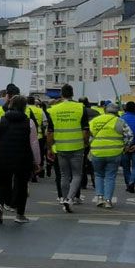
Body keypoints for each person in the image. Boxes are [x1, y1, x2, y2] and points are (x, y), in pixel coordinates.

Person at [0, 95, 40, 224]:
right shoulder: (29, 122)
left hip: (4, 156)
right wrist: (37, 161)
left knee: (4, 183)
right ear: (24, 107)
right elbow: (34, 143)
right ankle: (19, 214)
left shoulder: (1, 120)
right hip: (23, 158)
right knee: (22, 185)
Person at [45, 84, 89, 213]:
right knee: (76, 175)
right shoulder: (80, 108)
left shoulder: (53, 110)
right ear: (72, 93)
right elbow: (86, 130)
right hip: (77, 146)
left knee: (64, 175)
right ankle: (70, 199)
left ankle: (64, 199)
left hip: (60, 147)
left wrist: (49, 148)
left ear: (61, 94)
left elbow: (50, 133)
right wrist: (86, 143)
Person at [88, 103, 132, 209]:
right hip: (114, 152)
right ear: (117, 112)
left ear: (105, 110)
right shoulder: (120, 121)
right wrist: (125, 146)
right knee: (110, 176)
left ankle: (99, 198)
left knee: (98, 175)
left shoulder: (94, 121)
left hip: (97, 152)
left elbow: (88, 135)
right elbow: (129, 135)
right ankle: (108, 200)